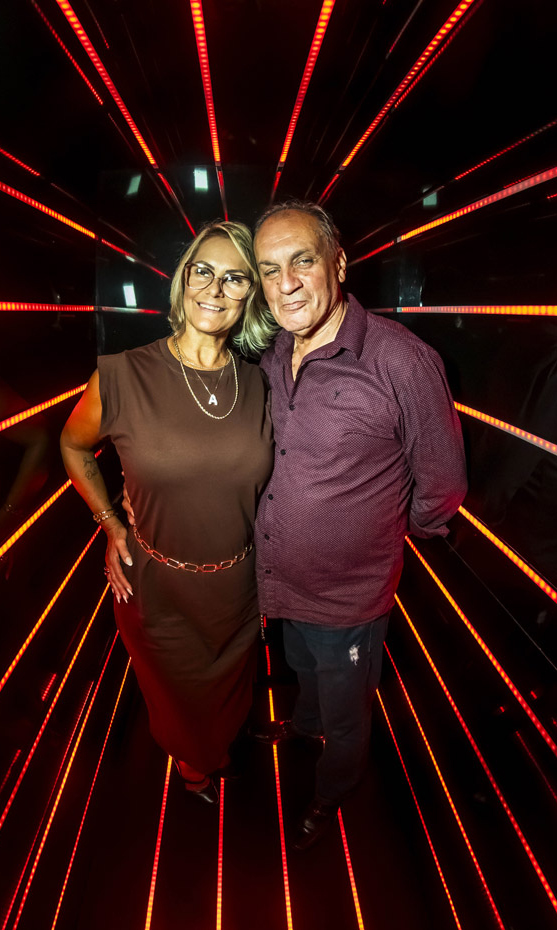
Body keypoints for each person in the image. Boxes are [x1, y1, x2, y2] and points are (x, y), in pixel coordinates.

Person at [251, 201, 468, 849]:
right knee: (301, 669)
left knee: (348, 713)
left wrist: (388, 540)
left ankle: (333, 790)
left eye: (302, 261)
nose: (286, 283)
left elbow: (444, 482)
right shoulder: (273, 354)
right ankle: (303, 724)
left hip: (349, 601)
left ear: (339, 262)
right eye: (269, 270)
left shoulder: (402, 361)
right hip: (284, 585)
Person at [60, 221, 276, 804]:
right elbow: (73, 445)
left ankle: (221, 743)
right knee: (179, 701)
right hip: (158, 588)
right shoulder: (121, 375)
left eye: (235, 278)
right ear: (183, 281)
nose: (216, 289)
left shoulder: (262, 385)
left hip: (238, 587)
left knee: (229, 692)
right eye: (203, 271)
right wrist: (110, 522)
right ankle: (193, 765)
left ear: (251, 296)